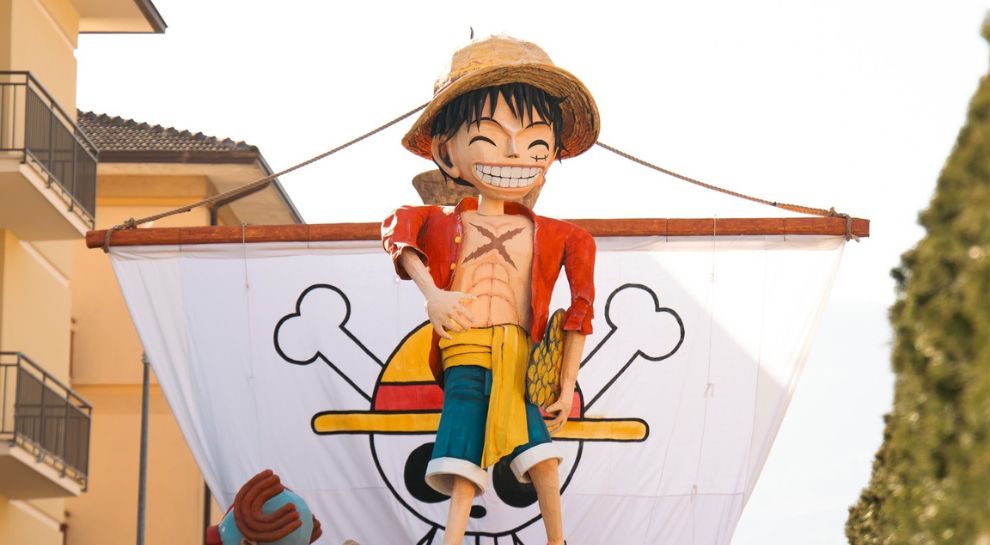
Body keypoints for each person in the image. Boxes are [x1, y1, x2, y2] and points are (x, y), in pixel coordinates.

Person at [381, 35, 600, 545]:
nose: (515, 153)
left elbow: (579, 312)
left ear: (552, 152)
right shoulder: (438, 220)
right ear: (446, 151)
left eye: (535, 141)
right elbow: (397, 231)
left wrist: (566, 383)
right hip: (464, 350)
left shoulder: (567, 237)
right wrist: (433, 294)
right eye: (490, 136)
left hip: (521, 357)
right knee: (462, 454)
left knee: (540, 451)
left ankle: (557, 539)